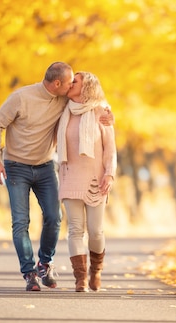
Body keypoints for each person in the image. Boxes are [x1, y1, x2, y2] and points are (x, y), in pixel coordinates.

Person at [0, 62, 114, 291]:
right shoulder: (21, 97)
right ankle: (29, 273)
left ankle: (45, 263)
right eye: (69, 82)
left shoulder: (65, 99)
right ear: (58, 84)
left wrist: (109, 114)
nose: (72, 85)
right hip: (16, 166)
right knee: (20, 222)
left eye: (74, 82)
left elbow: (92, 101)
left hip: (46, 166)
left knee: (54, 218)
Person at [57, 71, 117, 292]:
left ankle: (96, 271)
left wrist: (109, 173)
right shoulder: (62, 110)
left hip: (95, 178)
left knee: (96, 230)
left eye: (75, 81)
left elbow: (110, 148)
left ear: (87, 87)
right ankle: (80, 278)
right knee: (74, 229)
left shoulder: (102, 111)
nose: (70, 84)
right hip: (70, 175)